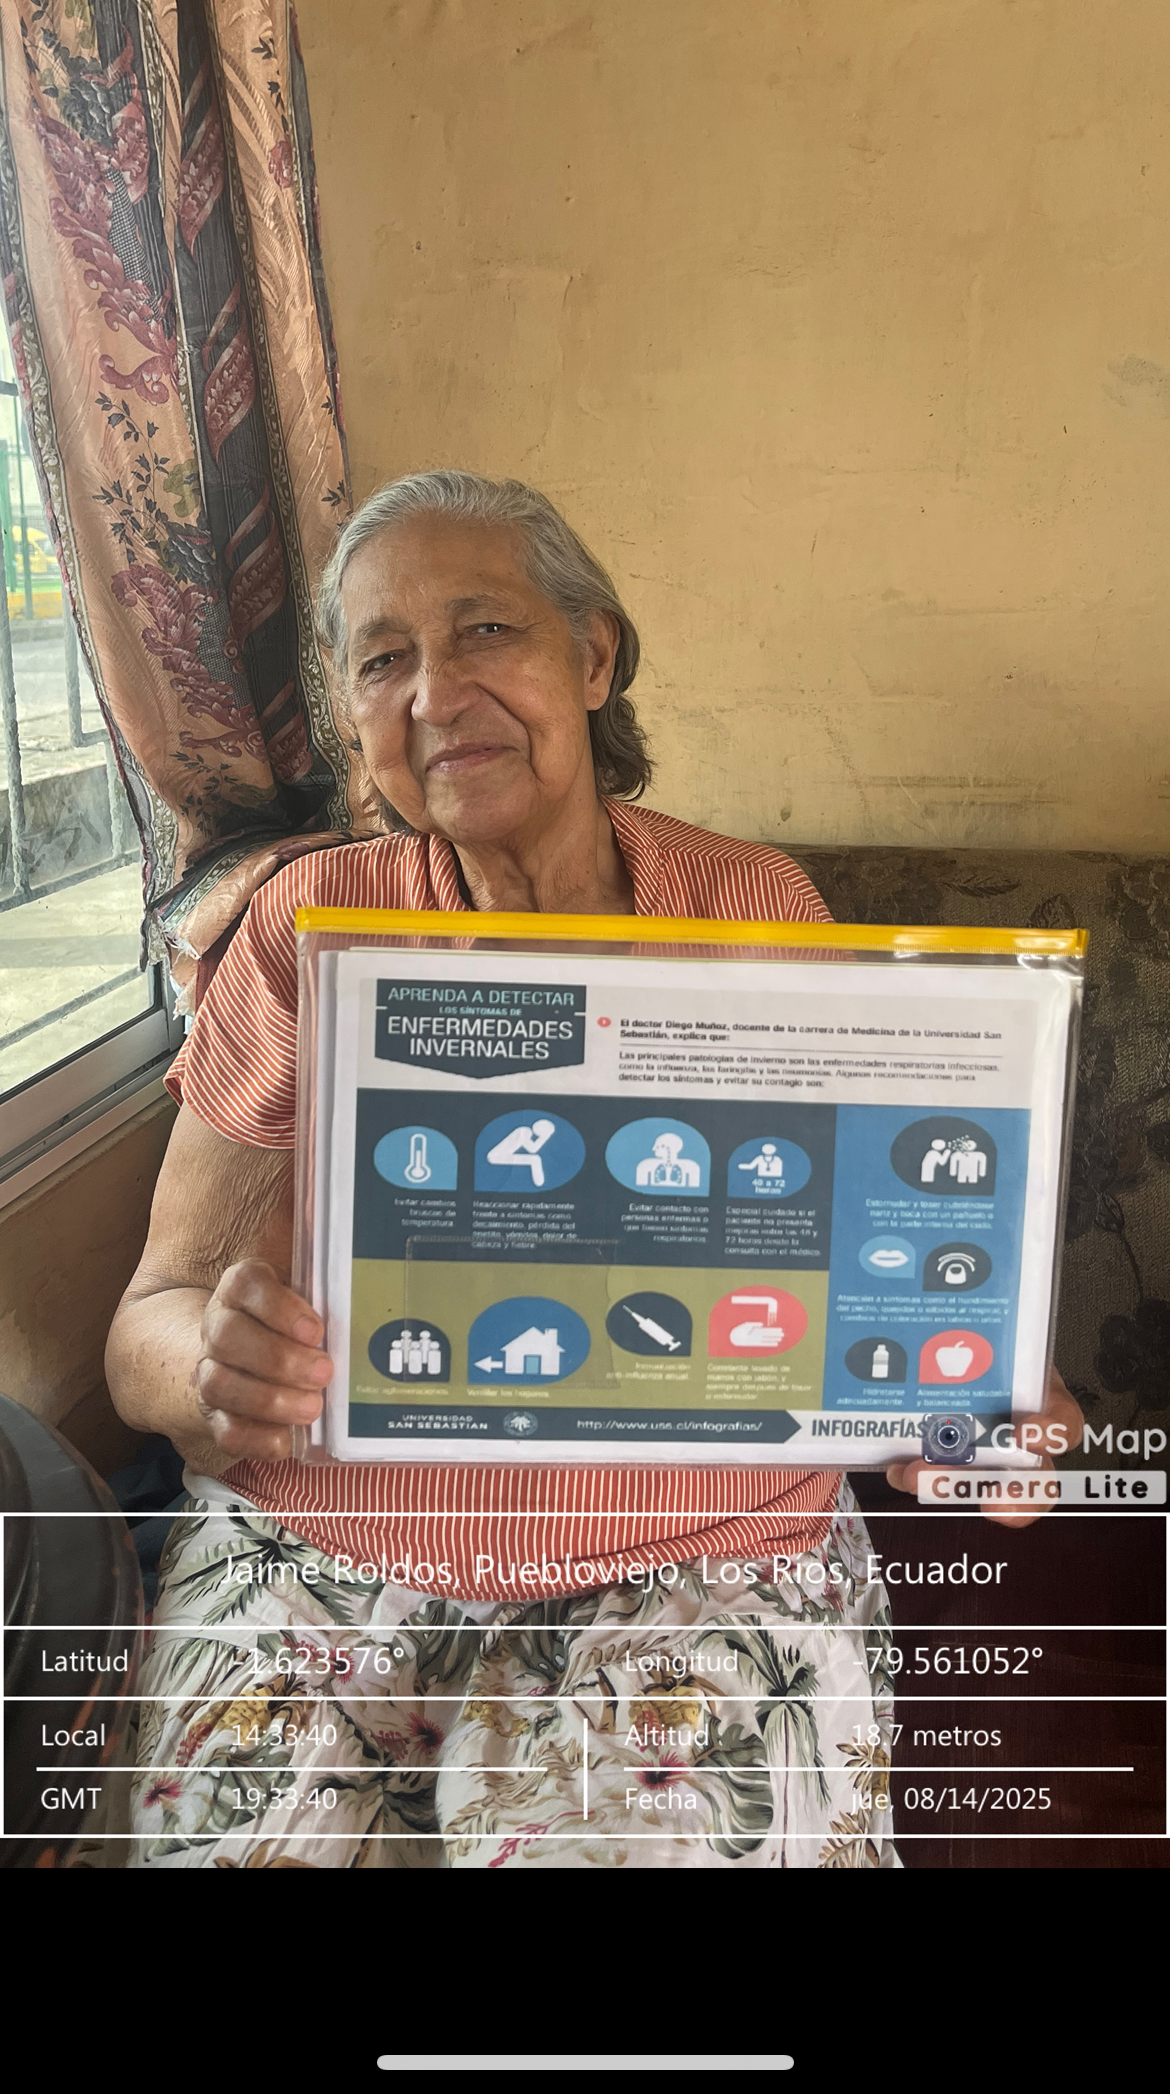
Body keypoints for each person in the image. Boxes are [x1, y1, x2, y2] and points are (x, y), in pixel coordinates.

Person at [106, 470, 1079, 1870]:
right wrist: (211, 1365)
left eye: (486, 631)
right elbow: (148, 1322)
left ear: (594, 658)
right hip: (323, 1559)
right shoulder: (303, 929)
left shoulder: (758, 911)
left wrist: (971, 1391)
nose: (435, 695)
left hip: (694, 1560)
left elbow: (871, 1265)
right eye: (382, 659)